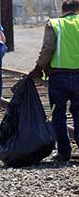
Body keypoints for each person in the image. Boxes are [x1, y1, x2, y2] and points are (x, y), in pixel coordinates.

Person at [28, 0, 79, 162]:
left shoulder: (54, 24)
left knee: (58, 115)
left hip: (58, 78)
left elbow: (48, 49)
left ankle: (64, 152)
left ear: (63, 11)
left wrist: (38, 69)